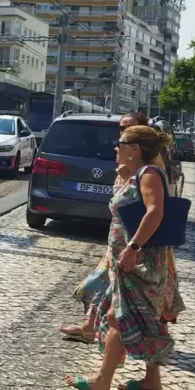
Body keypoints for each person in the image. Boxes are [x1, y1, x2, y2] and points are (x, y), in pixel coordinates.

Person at [65, 125, 185, 390]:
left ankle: (102, 380)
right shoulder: (138, 175)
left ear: (135, 149)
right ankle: (152, 381)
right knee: (143, 319)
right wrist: (123, 180)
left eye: (120, 143)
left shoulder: (150, 174)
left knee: (118, 317)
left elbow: (155, 213)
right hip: (130, 261)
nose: (115, 148)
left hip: (140, 262)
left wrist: (132, 248)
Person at [60, 112, 153, 343]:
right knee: (106, 287)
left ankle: (142, 348)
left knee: (131, 297)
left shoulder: (148, 168)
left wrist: (133, 246)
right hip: (119, 241)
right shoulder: (126, 164)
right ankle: (94, 329)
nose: (121, 135)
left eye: (128, 129)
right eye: (121, 129)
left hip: (135, 245)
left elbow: (150, 208)